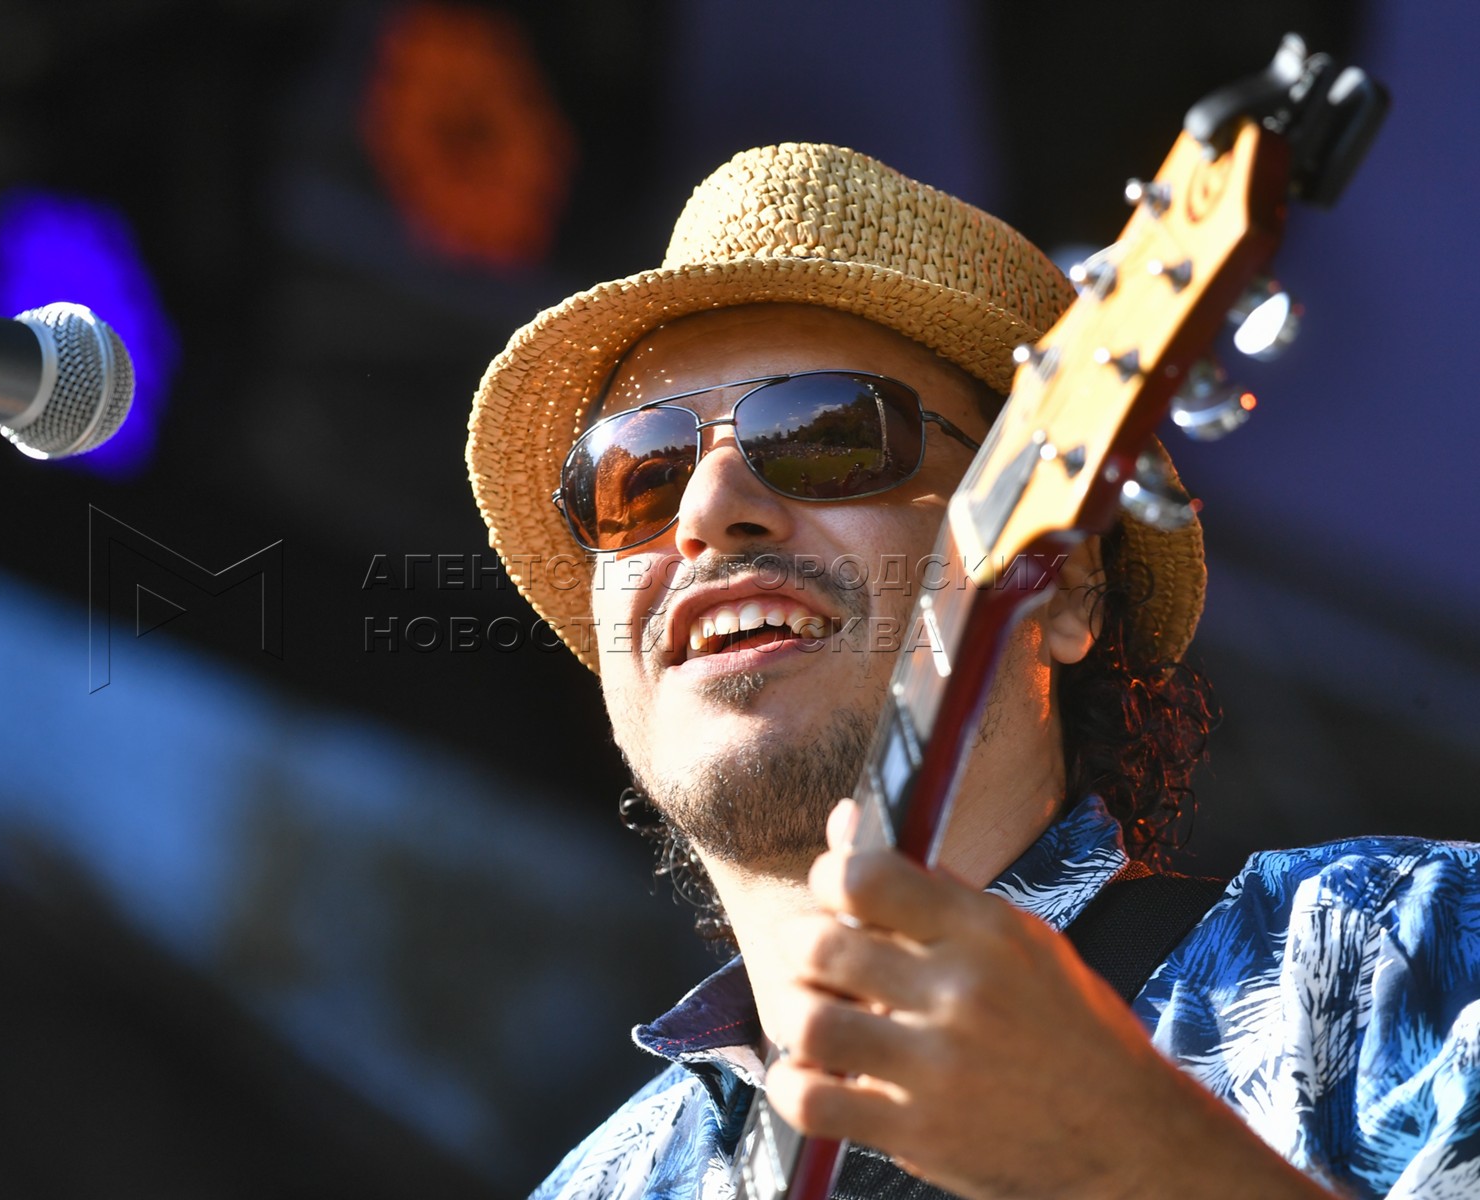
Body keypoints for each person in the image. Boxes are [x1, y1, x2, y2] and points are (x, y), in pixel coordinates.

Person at [465, 143, 1480, 1199]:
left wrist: (1138, 1160)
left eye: (826, 436)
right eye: (637, 478)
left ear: (1067, 584)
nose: (708, 511)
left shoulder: (1402, 951)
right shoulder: (602, 1185)